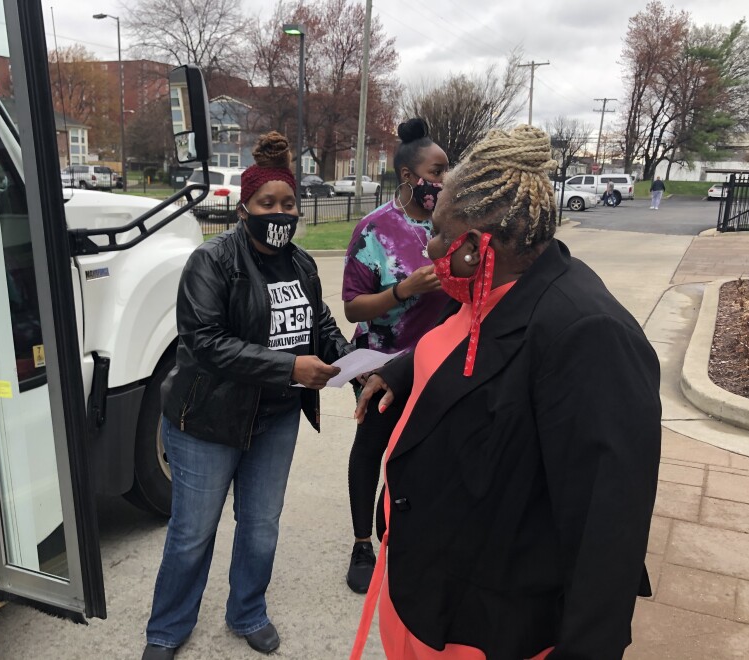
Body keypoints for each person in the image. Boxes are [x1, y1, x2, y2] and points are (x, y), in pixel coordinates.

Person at [350, 125, 662, 659]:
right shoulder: (488, 286)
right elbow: (462, 338)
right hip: (424, 590)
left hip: (489, 626)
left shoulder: (588, 333)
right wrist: (404, 368)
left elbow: (606, 531)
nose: (430, 244)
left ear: (475, 248)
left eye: (441, 233)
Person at [142, 132, 351, 659]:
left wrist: (353, 362)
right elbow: (206, 344)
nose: (278, 213)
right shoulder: (211, 263)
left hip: (276, 419)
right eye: (267, 203)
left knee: (260, 525)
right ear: (244, 208)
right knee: (193, 531)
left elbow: (319, 323)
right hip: (208, 420)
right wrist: (290, 368)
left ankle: (248, 611)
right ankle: (167, 628)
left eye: (288, 204)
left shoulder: (301, 264)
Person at [341, 118, 450, 594]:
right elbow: (352, 306)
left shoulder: (453, 227)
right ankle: (362, 543)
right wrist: (403, 290)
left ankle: (397, 529)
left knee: (418, 454)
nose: (444, 181)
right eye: (437, 170)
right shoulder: (375, 230)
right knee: (372, 450)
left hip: (436, 363)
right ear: (409, 176)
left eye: (448, 171)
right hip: (380, 364)